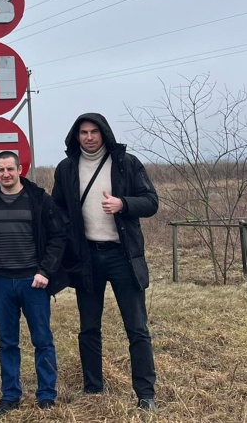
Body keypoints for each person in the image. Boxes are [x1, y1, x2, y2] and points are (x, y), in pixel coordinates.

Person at [51, 113, 160, 412]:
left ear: (104, 133)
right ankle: (93, 388)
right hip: (86, 257)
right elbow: (56, 210)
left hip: (121, 256)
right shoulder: (66, 168)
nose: (89, 137)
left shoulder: (126, 163)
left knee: (136, 327)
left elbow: (151, 201)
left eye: (94, 131)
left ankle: (145, 393)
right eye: (83, 132)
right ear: (76, 136)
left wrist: (123, 204)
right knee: (88, 326)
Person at [0, 150, 66, 416]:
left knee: (42, 339)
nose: (5, 174)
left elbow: (58, 238)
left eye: (10, 169)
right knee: (7, 343)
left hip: (33, 282)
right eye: (0, 170)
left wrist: (45, 271)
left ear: (20, 168)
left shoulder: (39, 200)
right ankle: (10, 395)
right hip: (1, 283)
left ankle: (47, 394)